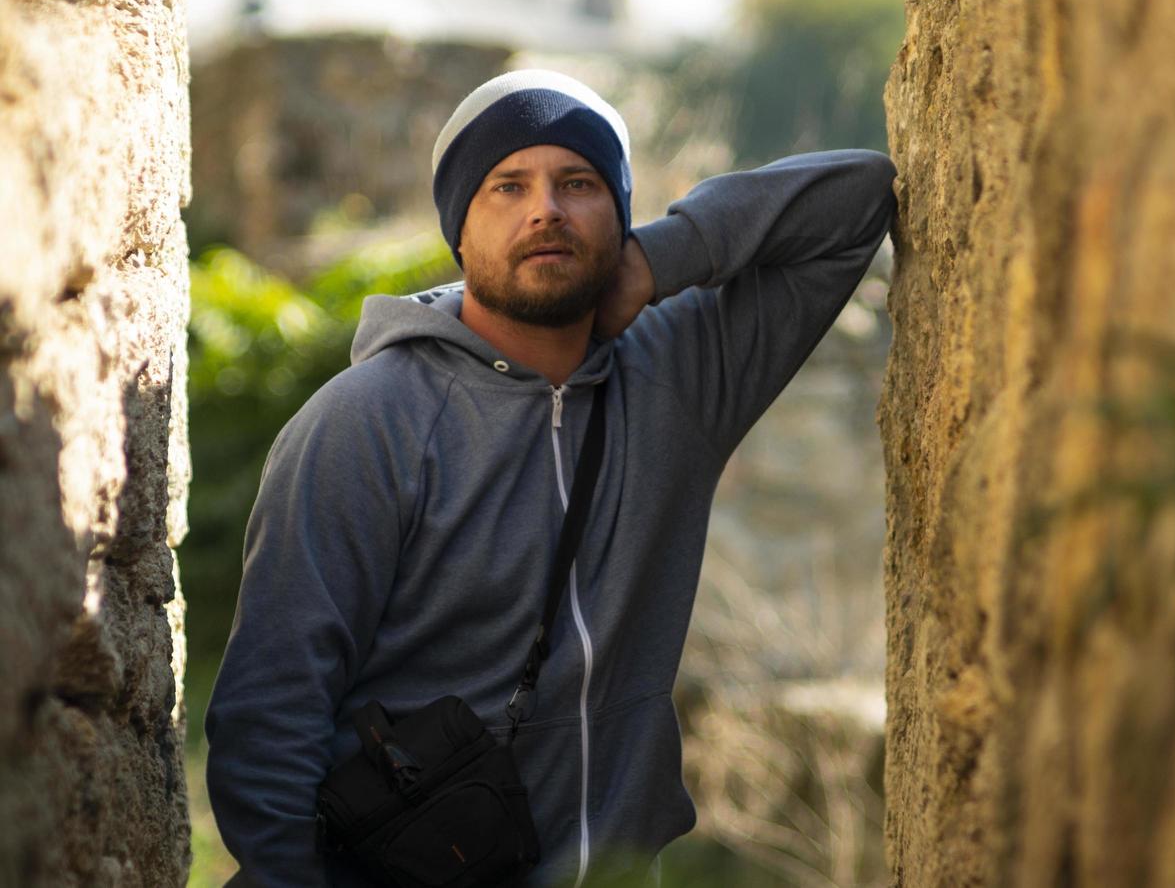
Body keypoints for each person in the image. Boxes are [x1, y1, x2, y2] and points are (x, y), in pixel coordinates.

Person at [205, 69, 897, 887]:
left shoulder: (682, 377)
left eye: (578, 183)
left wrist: (657, 258)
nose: (546, 210)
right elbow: (269, 713)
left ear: (618, 215)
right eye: (507, 186)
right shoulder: (366, 422)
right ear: (458, 231)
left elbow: (859, 197)